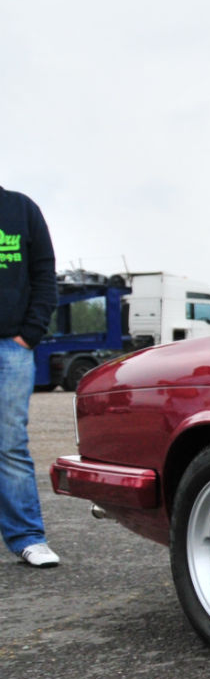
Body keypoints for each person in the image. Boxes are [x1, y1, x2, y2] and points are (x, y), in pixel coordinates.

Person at [0, 182, 59, 567]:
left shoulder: (21, 210)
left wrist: (29, 334)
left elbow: (44, 274)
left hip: (10, 347)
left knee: (10, 443)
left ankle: (28, 538)